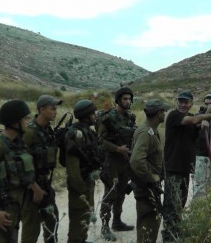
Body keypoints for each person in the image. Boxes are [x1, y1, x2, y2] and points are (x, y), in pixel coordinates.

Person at [162, 91, 211, 242]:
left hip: (185, 168)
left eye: (186, 102)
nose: (182, 104)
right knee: (171, 204)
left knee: (181, 203)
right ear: (176, 102)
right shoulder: (174, 115)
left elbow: (197, 136)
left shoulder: (192, 119)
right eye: (180, 101)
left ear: (191, 104)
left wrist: (203, 128)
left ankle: (176, 232)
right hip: (173, 167)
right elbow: (193, 120)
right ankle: (168, 237)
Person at [0, 100, 46, 243]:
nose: (28, 122)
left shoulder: (18, 143)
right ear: (15, 122)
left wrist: (35, 188)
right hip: (0, 207)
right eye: (25, 119)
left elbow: (23, 171)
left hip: (18, 204)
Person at [22, 95, 62, 243]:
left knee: (52, 221)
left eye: (56, 108)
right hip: (30, 187)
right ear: (41, 109)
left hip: (44, 183)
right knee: (31, 229)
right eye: (52, 108)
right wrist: (34, 188)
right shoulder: (29, 132)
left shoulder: (48, 130)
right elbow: (21, 162)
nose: (55, 111)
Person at [98, 87, 136, 240]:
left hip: (125, 160)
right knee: (110, 192)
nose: (127, 101)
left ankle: (117, 221)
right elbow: (100, 141)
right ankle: (105, 226)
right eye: (124, 99)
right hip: (111, 161)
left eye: (129, 99)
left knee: (121, 192)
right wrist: (117, 148)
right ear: (118, 100)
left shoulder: (130, 117)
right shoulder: (107, 118)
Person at [130, 99, 170, 243]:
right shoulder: (146, 132)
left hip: (149, 187)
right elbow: (136, 160)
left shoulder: (151, 130)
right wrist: (152, 177)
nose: (165, 114)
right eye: (164, 111)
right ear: (159, 113)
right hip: (145, 186)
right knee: (148, 224)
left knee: (151, 223)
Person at [65, 99, 102, 243]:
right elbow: (72, 167)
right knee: (78, 218)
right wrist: (81, 188)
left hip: (87, 182)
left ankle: (82, 239)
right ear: (86, 115)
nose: (95, 116)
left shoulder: (88, 131)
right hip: (79, 184)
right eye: (93, 113)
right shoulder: (76, 134)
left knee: (86, 214)